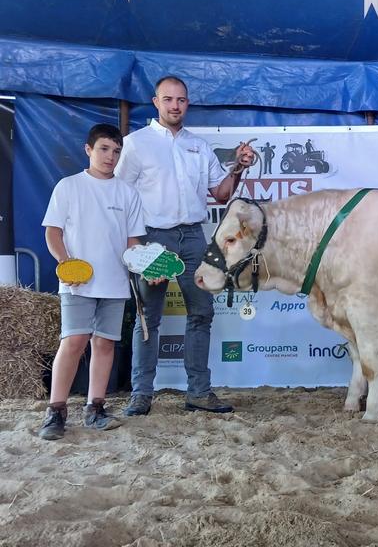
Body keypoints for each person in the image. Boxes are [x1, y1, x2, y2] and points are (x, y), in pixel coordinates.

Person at [114, 75, 255, 416]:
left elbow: (220, 194)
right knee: (148, 317)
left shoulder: (199, 146)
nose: (175, 106)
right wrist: (139, 251)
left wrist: (237, 167)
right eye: (168, 99)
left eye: (181, 100)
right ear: (155, 102)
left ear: (187, 103)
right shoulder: (135, 144)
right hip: (153, 238)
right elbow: (119, 196)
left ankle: (198, 392)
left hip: (194, 236)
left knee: (202, 313)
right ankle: (141, 394)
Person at [38, 123, 145, 440]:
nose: (110, 156)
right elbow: (52, 232)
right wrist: (67, 265)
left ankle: (95, 408)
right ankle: (55, 411)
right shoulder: (68, 187)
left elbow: (133, 242)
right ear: (88, 149)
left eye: (116, 151)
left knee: (105, 344)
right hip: (77, 284)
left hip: (114, 282)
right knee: (73, 342)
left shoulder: (128, 193)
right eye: (104, 149)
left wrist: (148, 267)